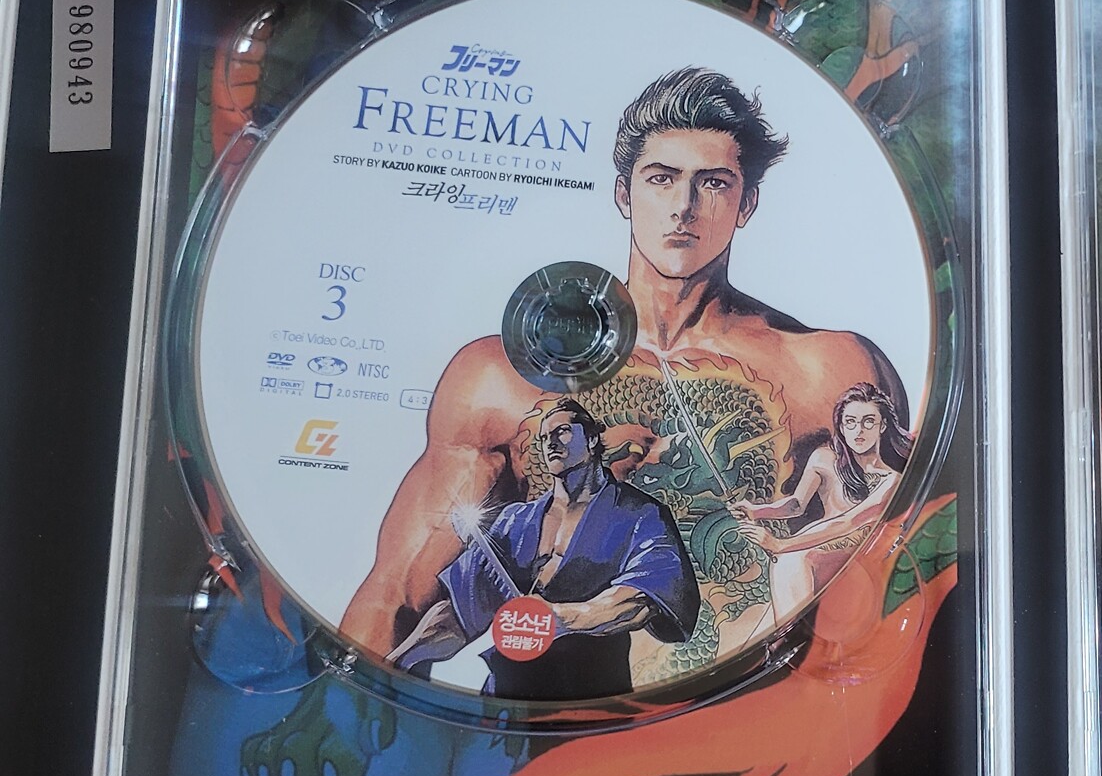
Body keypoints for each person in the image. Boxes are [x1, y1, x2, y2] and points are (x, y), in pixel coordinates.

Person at [341, 66, 908, 670]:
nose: (683, 207)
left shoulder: (830, 372)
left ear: (746, 203)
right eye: (661, 179)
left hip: (752, 708)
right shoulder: (500, 379)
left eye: (713, 183)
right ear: (623, 194)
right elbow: (397, 597)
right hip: (548, 710)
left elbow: (893, 571)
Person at [388, 400, 699, 699]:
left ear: (591, 439)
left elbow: (640, 601)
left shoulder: (640, 514)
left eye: (562, 431)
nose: (551, 443)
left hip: (591, 696)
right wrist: (398, 661)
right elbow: (459, 613)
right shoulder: (514, 521)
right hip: (507, 696)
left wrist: (559, 618)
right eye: (545, 437)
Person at [735, 382, 914, 614]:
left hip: (855, 554)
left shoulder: (891, 481)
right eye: (850, 422)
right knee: (791, 564)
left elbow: (848, 523)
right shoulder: (823, 458)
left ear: (883, 425)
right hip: (812, 546)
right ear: (841, 426)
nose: (859, 430)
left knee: (793, 561)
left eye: (868, 421)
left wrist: (780, 544)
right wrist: (756, 511)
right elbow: (796, 505)